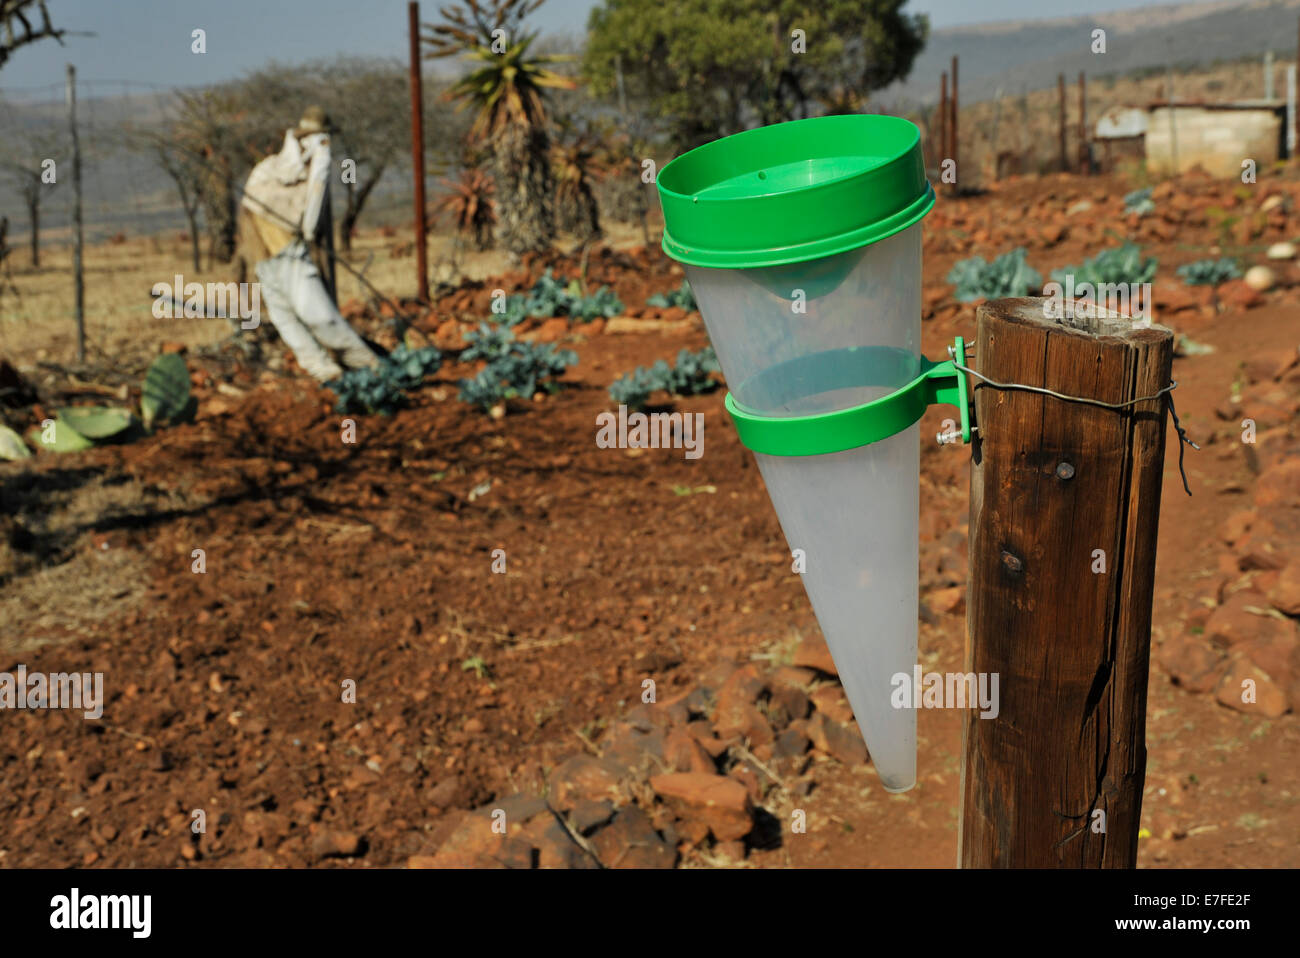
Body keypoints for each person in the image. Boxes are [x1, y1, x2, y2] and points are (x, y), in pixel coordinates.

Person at [238, 106, 379, 382]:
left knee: (313, 315)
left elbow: (311, 202)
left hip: (283, 252)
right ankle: (330, 371)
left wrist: (307, 231)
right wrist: (309, 231)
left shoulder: (294, 167)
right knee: (289, 317)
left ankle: (367, 368)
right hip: (269, 256)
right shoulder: (273, 168)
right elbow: (308, 202)